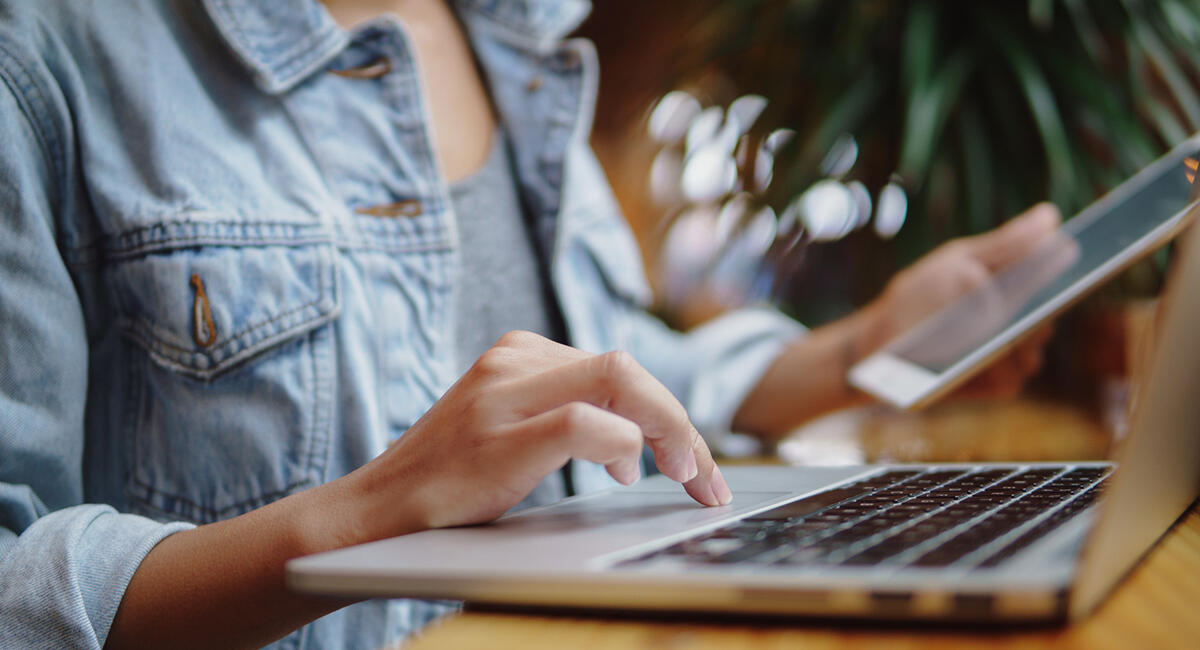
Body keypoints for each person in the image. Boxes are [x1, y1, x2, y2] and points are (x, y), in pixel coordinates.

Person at [0, 1, 1057, 647]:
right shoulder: (48, 52)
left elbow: (614, 374)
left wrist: (871, 344)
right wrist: (373, 514)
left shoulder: (510, 39)